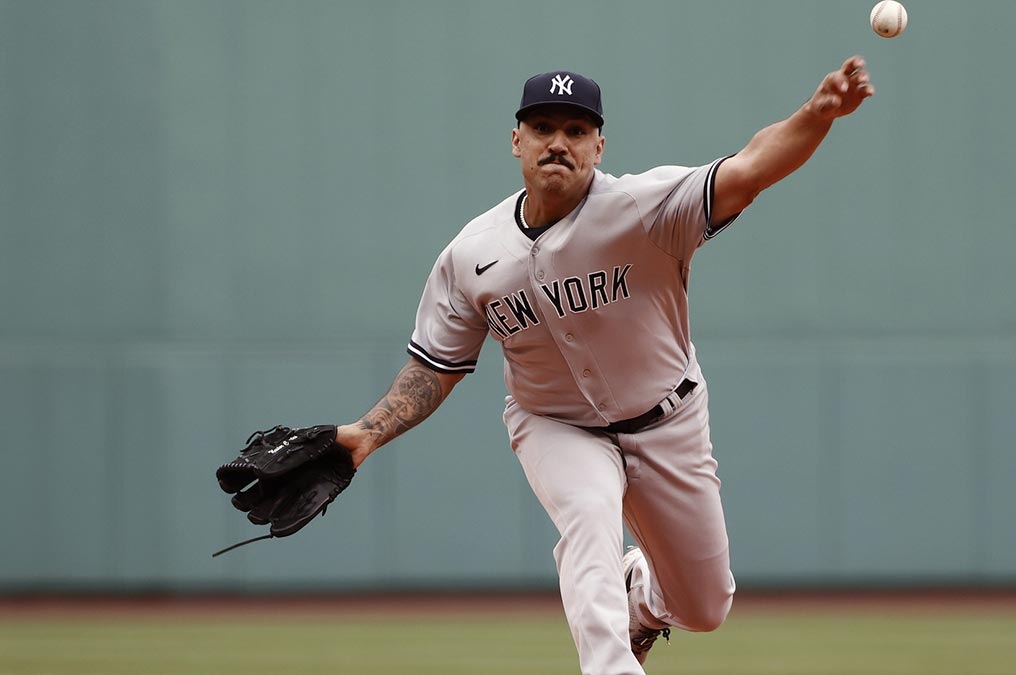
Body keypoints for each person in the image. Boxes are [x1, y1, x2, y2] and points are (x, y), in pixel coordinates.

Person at [334, 57, 874, 675]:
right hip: (554, 424)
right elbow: (435, 367)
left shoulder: (643, 208)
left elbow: (750, 169)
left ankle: (642, 599)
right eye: (542, 127)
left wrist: (815, 115)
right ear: (517, 141)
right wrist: (366, 434)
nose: (557, 141)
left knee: (704, 607)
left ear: (599, 144)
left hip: (668, 420)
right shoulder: (471, 255)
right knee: (588, 519)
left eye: (575, 129)